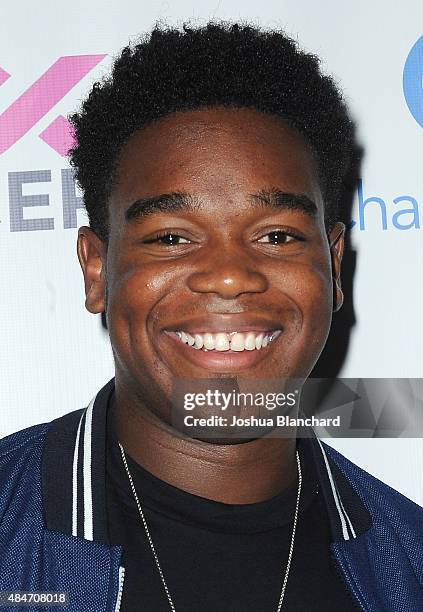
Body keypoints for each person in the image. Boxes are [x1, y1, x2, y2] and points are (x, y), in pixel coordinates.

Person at [0, 22, 421, 612]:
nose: (230, 276)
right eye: (171, 236)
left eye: (276, 235)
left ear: (333, 266)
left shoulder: (410, 561)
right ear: (97, 270)